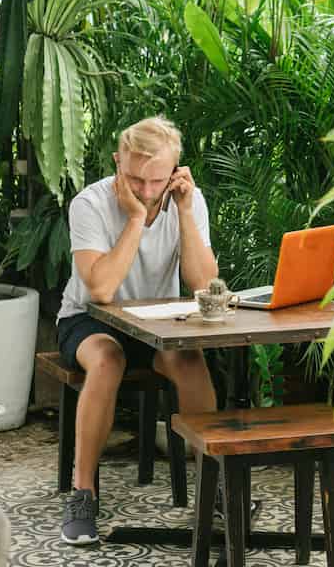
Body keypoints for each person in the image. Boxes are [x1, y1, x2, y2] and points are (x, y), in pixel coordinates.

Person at [57, 116, 219, 545]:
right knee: (108, 359)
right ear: (117, 163)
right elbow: (102, 288)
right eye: (135, 180)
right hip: (88, 319)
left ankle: (214, 488)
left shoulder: (189, 201)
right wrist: (133, 220)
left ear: (175, 173)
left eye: (157, 181)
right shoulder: (89, 204)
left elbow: (204, 285)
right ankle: (83, 492)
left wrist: (183, 211)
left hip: (155, 321)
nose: (147, 192)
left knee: (189, 359)